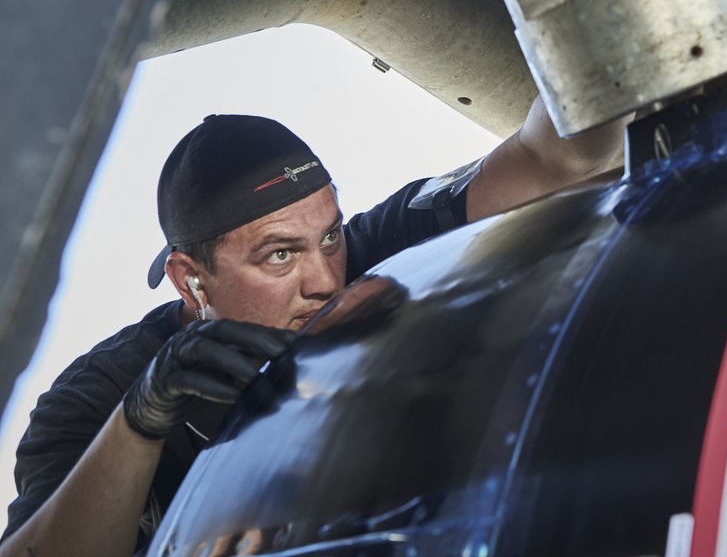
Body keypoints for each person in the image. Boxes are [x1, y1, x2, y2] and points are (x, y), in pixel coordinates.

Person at [0, 96, 624, 557]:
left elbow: (559, 154)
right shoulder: (98, 395)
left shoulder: (370, 253)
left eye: (328, 236)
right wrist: (140, 422)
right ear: (190, 279)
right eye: (279, 255)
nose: (325, 278)